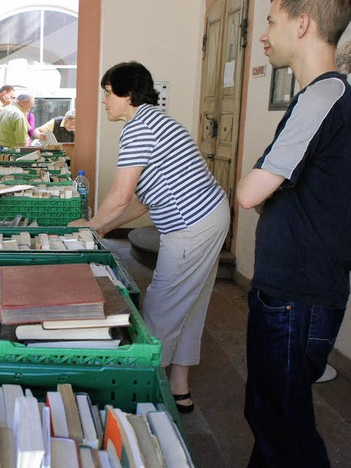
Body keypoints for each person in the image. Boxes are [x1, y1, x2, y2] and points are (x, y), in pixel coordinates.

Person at [69, 61, 229, 414]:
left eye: (108, 93)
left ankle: (143, 392)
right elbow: (142, 200)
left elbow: (121, 195)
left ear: (127, 94)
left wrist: (90, 227)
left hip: (192, 223)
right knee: (190, 304)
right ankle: (179, 388)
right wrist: (105, 227)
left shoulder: (139, 128)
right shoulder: (155, 121)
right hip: (209, 215)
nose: (104, 101)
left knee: (160, 307)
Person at [235, 1, 351, 465]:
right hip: (300, 289)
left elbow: (249, 191)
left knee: (284, 427)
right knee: (272, 419)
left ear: (302, 23)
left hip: (295, 295)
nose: (264, 34)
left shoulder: (323, 97)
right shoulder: (325, 95)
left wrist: (257, 184)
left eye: (270, 21)